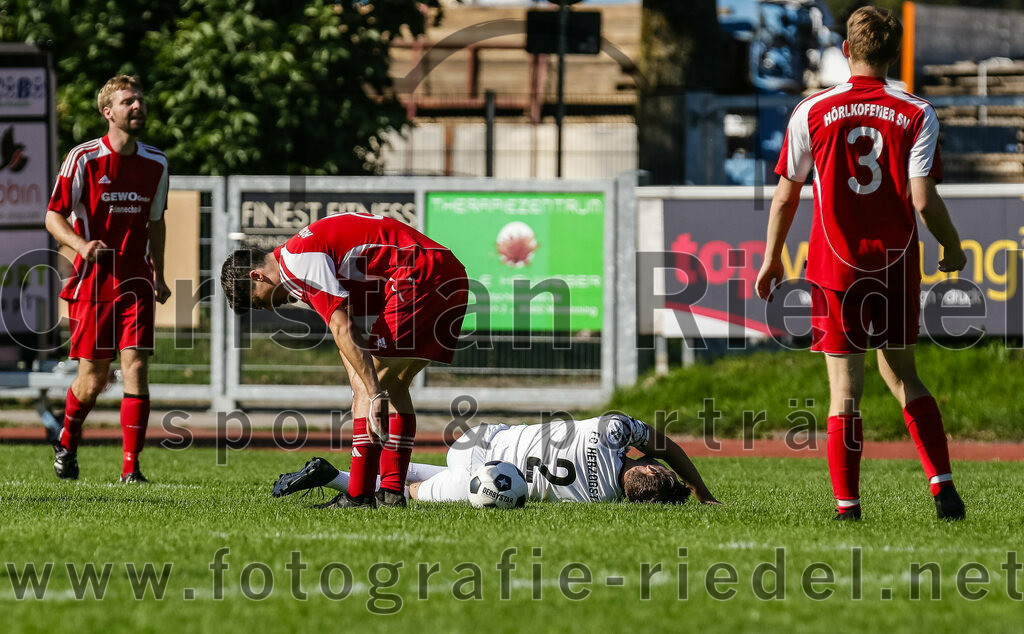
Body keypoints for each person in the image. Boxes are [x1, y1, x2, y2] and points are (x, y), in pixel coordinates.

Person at [755, 6, 966, 521]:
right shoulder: (917, 112)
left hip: (836, 268)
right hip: (894, 265)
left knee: (844, 391)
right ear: (894, 55)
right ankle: (943, 488)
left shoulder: (812, 111)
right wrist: (953, 245)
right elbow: (922, 199)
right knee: (904, 378)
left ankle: (848, 507)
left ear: (846, 51)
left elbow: (785, 197)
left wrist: (770, 259)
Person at [221, 213, 469, 509]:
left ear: (257, 276)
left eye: (260, 301)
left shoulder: (300, 261)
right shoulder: (298, 262)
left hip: (420, 275)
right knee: (396, 385)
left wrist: (369, 391)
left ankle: (359, 495)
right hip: (446, 273)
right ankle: (390, 492)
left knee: (374, 390)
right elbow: (344, 331)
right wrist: (361, 384)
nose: (270, 308)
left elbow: (344, 328)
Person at [45, 75, 170, 484]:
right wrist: (81, 245)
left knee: (136, 367)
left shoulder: (157, 162)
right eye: (127, 101)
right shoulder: (83, 158)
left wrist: (161, 274)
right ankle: (68, 437)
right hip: (94, 280)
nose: (137, 106)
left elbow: (155, 223)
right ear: (108, 112)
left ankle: (131, 470)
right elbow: (53, 216)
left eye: (140, 99)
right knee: (94, 378)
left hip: (136, 278)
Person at [272, 413, 720, 506]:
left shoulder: (613, 430)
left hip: (482, 438)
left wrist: (702, 491)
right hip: (489, 469)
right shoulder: (598, 500)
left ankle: (340, 477)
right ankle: (338, 481)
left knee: (411, 487)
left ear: (648, 468)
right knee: (415, 493)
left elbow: (668, 446)